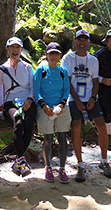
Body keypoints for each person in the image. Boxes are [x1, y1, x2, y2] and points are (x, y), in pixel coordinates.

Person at [61, 29, 111, 182]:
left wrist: (93, 97)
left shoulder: (93, 60)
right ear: (75, 41)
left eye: (85, 40)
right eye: (79, 40)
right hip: (73, 98)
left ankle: (104, 161)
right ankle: (80, 165)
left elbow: (95, 81)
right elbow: (67, 81)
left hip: (90, 97)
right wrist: (77, 100)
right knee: (76, 127)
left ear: (89, 43)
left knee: (101, 125)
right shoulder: (68, 58)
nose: (82, 43)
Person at [0, 37, 37, 177]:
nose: (15, 50)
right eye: (12, 47)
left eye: (18, 47)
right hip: (11, 102)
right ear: (7, 50)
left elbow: (33, 86)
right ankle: (21, 160)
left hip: (28, 100)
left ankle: (19, 161)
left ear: (21, 50)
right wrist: (0, 105)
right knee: (18, 123)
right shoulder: (1, 69)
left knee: (29, 124)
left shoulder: (27, 67)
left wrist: (30, 100)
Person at [34, 42, 71, 184]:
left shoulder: (63, 71)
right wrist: (43, 105)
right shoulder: (41, 70)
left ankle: (62, 168)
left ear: (60, 55)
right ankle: (48, 167)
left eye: (56, 53)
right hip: (45, 108)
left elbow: (66, 90)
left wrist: (62, 104)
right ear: (46, 55)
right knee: (48, 139)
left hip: (61, 108)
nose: (54, 56)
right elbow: (36, 90)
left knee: (62, 139)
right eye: (51, 53)